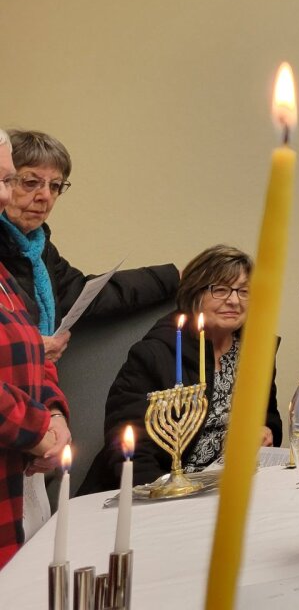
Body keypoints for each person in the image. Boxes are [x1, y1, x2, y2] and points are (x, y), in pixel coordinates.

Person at [82, 246, 281, 491]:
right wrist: (167, 496)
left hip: (227, 488)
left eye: (244, 291)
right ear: (194, 295)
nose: (233, 300)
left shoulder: (256, 352)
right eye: (220, 290)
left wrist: (264, 431)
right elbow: (128, 448)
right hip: (158, 492)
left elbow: (269, 417)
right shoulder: (155, 353)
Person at [0, 130, 179, 362]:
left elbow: (86, 295)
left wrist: (176, 276)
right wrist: (31, 349)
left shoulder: (39, 247)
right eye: (31, 182)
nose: (45, 195)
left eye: (55, 186)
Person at [0, 129, 71, 569]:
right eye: (19, 181)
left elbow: (31, 352)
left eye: (7, 181)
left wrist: (56, 413)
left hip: (15, 474)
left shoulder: (27, 262)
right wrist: (38, 426)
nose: (40, 197)